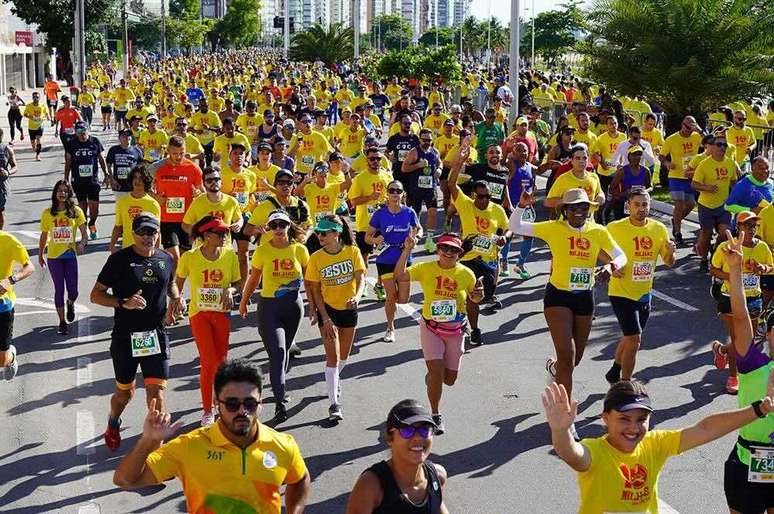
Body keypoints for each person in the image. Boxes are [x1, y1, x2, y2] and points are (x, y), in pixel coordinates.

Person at [542, 372, 774, 513]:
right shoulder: (596, 451)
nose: (634, 427)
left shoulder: (654, 443)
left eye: (641, 419)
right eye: (624, 419)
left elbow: (705, 429)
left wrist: (759, 409)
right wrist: (560, 431)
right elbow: (571, 453)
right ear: (605, 418)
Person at [113, 359, 311, 513]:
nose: (242, 411)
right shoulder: (189, 446)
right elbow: (125, 480)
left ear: (261, 404)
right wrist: (148, 441)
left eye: (250, 404)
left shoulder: (282, 445)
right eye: (232, 404)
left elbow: (300, 479)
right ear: (216, 403)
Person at [510, 188, 626, 439]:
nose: (580, 212)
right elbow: (515, 226)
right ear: (565, 210)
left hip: (584, 297)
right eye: (574, 208)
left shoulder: (598, 231)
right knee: (568, 354)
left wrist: (611, 266)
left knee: (573, 360)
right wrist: (521, 205)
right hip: (558, 297)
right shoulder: (553, 228)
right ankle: (565, 418)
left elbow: (621, 255)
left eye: (584, 208)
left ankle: (555, 369)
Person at [90, 213, 183, 450]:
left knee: (156, 392)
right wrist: (124, 302)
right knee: (125, 394)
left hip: (155, 335)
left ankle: (155, 449)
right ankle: (113, 421)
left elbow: (170, 283)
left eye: (152, 232)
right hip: (125, 337)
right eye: (142, 232)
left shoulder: (166, 258)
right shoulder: (118, 260)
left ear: (158, 234)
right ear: (133, 234)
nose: (147, 237)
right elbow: (96, 295)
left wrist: (176, 298)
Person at [395, 233, 482, 434]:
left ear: (460, 253)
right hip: (431, 328)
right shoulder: (425, 268)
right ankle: (435, 414)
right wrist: (407, 250)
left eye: (454, 250)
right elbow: (400, 275)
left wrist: (478, 296)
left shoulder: (467, 274)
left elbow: (475, 299)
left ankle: (433, 379)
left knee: (449, 380)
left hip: (455, 331)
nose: (448, 252)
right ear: (438, 250)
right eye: (444, 248)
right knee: (436, 373)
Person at [719, 228, 774, 514]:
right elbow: (740, 318)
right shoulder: (754, 362)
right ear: (768, 333)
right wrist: (736, 269)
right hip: (747, 463)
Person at [239, 210, 309, 423]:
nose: (278, 229)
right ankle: (280, 402)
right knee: (277, 352)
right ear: (268, 228)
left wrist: (315, 307)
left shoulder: (299, 250)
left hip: (294, 307)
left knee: (285, 350)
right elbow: (253, 279)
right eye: (274, 225)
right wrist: (243, 301)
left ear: (289, 226)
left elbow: (311, 281)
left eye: (282, 225)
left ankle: (279, 387)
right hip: (269, 307)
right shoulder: (262, 251)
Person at [602, 187, 675, 382]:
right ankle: (626, 385)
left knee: (629, 337)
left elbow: (669, 262)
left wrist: (670, 252)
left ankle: (614, 371)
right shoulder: (615, 228)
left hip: (644, 293)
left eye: (645, 204)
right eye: (636, 204)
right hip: (620, 292)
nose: (641, 208)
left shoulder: (659, 229)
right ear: (628, 206)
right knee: (635, 338)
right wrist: (611, 265)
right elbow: (597, 248)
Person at [176, 216, 241, 426]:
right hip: (199, 314)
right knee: (208, 362)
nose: (224, 236)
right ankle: (207, 410)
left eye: (226, 232)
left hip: (221, 313)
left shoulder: (230, 255)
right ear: (206, 235)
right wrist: (177, 299)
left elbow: (238, 283)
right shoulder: (190, 257)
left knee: (220, 363)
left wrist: (230, 291)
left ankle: (218, 402)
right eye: (220, 233)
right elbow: (177, 281)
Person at [447, 142, 510, 345]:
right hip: (467, 258)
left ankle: (469, 316)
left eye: (488, 197)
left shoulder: (496, 209)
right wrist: (459, 163)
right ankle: (473, 329)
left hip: (488, 259)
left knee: (482, 295)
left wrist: (505, 237)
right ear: (474, 195)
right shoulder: (465, 204)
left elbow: (508, 228)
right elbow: (451, 184)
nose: (484, 200)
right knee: (471, 296)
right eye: (481, 197)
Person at [304, 214, 365, 422]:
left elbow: (360, 278)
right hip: (328, 311)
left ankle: (334, 379)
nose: (320, 236)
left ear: (336, 233)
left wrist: (357, 297)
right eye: (318, 232)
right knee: (332, 357)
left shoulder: (352, 251)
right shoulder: (316, 258)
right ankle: (334, 404)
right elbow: (314, 289)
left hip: (349, 309)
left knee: (343, 357)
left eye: (324, 233)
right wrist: (323, 316)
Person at [346, 399, 449, 514]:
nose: (418, 437)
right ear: (390, 439)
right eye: (407, 431)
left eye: (424, 430)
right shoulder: (371, 485)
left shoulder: (437, 476)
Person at [710, 211, 773, 395]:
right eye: (747, 225)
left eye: (754, 226)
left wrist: (763, 268)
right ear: (738, 227)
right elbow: (713, 269)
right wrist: (733, 275)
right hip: (729, 297)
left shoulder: (762, 247)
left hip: (753, 298)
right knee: (738, 339)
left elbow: (771, 266)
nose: (752, 229)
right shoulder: (726, 246)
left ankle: (721, 350)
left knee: (749, 340)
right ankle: (733, 377)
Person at [366, 180, 421, 342]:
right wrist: (376, 240)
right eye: (392, 190)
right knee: (391, 296)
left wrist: (416, 238)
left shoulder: (409, 212)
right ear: (387, 193)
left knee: (403, 299)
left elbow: (418, 229)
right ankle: (390, 328)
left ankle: (391, 320)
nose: (395, 193)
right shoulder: (379, 214)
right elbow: (367, 237)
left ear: (403, 194)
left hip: (404, 257)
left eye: (398, 191)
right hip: (385, 259)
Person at [38, 180, 88, 335]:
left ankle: (70, 303)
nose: (62, 193)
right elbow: (44, 235)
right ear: (55, 193)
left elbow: (84, 234)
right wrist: (40, 254)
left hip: (70, 256)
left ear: (69, 194)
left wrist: (82, 244)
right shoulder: (47, 213)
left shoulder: (76, 211)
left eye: (65, 191)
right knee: (59, 289)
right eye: (59, 191)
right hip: (54, 258)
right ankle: (62, 322)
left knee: (73, 290)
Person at [348, 147, 393, 300]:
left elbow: (394, 195)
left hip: (384, 224)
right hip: (365, 224)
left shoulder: (387, 176)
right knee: (364, 257)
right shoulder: (360, 178)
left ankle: (380, 285)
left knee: (384, 257)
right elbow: (353, 201)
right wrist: (369, 197)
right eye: (372, 159)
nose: (375, 161)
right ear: (366, 160)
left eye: (378, 158)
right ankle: (363, 284)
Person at [152, 135, 204, 269]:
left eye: (182, 153)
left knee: (184, 256)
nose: (179, 156)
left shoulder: (193, 168)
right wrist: (155, 196)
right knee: (174, 256)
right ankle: (171, 281)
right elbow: (142, 185)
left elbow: (202, 190)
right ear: (168, 150)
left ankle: (177, 280)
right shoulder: (157, 167)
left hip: (187, 219)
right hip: (166, 219)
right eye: (175, 153)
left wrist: (198, 193)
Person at [692, 133, 740, 272]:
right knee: (706, 235)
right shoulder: (704, 164)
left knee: (725, 233)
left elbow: (733, 181)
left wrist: (737, 194)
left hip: (723, 205)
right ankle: (703, 259)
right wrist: (706, 188)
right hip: (706, 206)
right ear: (712, 147)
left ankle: (715, 248)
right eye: (719, 144)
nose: (722, 147)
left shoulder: (730, 163)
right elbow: (694, 184)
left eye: (725, 145)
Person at [660, 116, 702, 243]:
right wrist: (667, 163)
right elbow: (661, 155)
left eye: (691, 128)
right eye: (687, 127)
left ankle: (675, 220)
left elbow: (710, 142)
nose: (689, 130)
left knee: (690, 204)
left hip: (690, 176)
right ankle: (678, 232)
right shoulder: (672, 139)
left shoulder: (696, 136)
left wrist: (699, 130)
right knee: (679, 203)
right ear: (682, 125)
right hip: (675, 176)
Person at [63, 121, 107, 240]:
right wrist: (66, 179)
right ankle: (85, 231)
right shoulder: (71, 143)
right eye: (78, 131)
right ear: (75, 132)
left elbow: (101, 159)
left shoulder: (95, 141)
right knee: (82, 208)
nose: (81, 134)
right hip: (78, 181)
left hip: (93, 181)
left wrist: (106, 174)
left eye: (83, 131)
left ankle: (92, 224)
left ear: (88, 130)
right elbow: (68, 162)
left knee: (94, 210)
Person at [0, 230, 34, 380]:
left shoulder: (8, 240)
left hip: (2, 305)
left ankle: (10, 356)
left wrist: (11, 280)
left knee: (2, 361)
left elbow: (29, 266)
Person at [402, 128, 440, 253]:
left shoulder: (434, 151)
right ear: (419, 139)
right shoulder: (414, 152)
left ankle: (429, 239)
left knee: (432, 212)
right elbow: (404, 168)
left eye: (429, 140)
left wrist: (439, 170)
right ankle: (413, 237)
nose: (426, 142)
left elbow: (439, 163)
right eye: (424, 140)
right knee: (415, 214)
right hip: (417, 188)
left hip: (431, 187)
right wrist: (418, 165)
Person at [506, 142, 536, 279]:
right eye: (518, 150)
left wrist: (551, 165)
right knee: (509, 234)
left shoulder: (530, 167)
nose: (522, 153)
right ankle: (504, 262)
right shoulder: (511, 165)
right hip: (512, 207)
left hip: (526, 208)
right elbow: (504, 162)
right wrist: (507, 203)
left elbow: (540, 170)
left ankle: (520, 264)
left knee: (529, 236)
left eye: (524, 150)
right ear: (513, 152)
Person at [608, 145, 652, 220]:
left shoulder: (646, 171)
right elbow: (611, 189)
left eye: (639, 154)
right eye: (634, 154)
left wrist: (644, 191)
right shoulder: (622, 171)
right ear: (629, 157)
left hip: (640, 205)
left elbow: (650, 187)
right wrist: (624, 193)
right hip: (624, 205)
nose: (637, 157)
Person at [106, 129, 144, 198]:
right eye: (124, 136)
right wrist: (112, 180)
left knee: (132, 204)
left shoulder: (137, 150)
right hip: (118, 185)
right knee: (120, 204)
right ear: (119, 138)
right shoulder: (113, 150)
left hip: (133, 186)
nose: (127, 138)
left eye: (129, 136)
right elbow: (108, 166)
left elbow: (141, 168)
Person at [23, 91, 48, 161]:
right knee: (33, 142)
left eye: (37, 97)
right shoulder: (29, 106)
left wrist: (46, 117)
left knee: (38, 139)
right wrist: (31, 117)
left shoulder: (42, 105)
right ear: (32, 98)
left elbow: (45, 113)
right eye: (34, 97)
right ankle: (35, 149)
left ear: (39, 98)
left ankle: (38, 155)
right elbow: (25, 114)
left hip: (40, 125)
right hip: (31, 126)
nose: (35, 98)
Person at [0, 128, 17, 230]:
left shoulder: (7, 149)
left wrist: (8, 172)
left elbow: (15, 167)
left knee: (0, 211)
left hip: (2, 185)